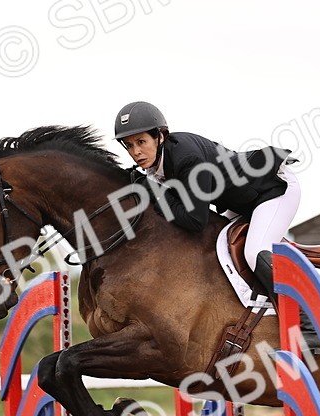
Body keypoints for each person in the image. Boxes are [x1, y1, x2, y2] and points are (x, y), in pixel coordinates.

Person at [113, 101, 298, 299]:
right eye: (129, 145)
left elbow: (195, 220)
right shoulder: (158, 164)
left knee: (254, 253)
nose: (135, 152)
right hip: (244, 201)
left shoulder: (187, 159)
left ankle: (302, 312)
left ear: (160, 136)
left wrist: (157, 193)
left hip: (273, 188)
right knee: (219, 250)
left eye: (141, 142)